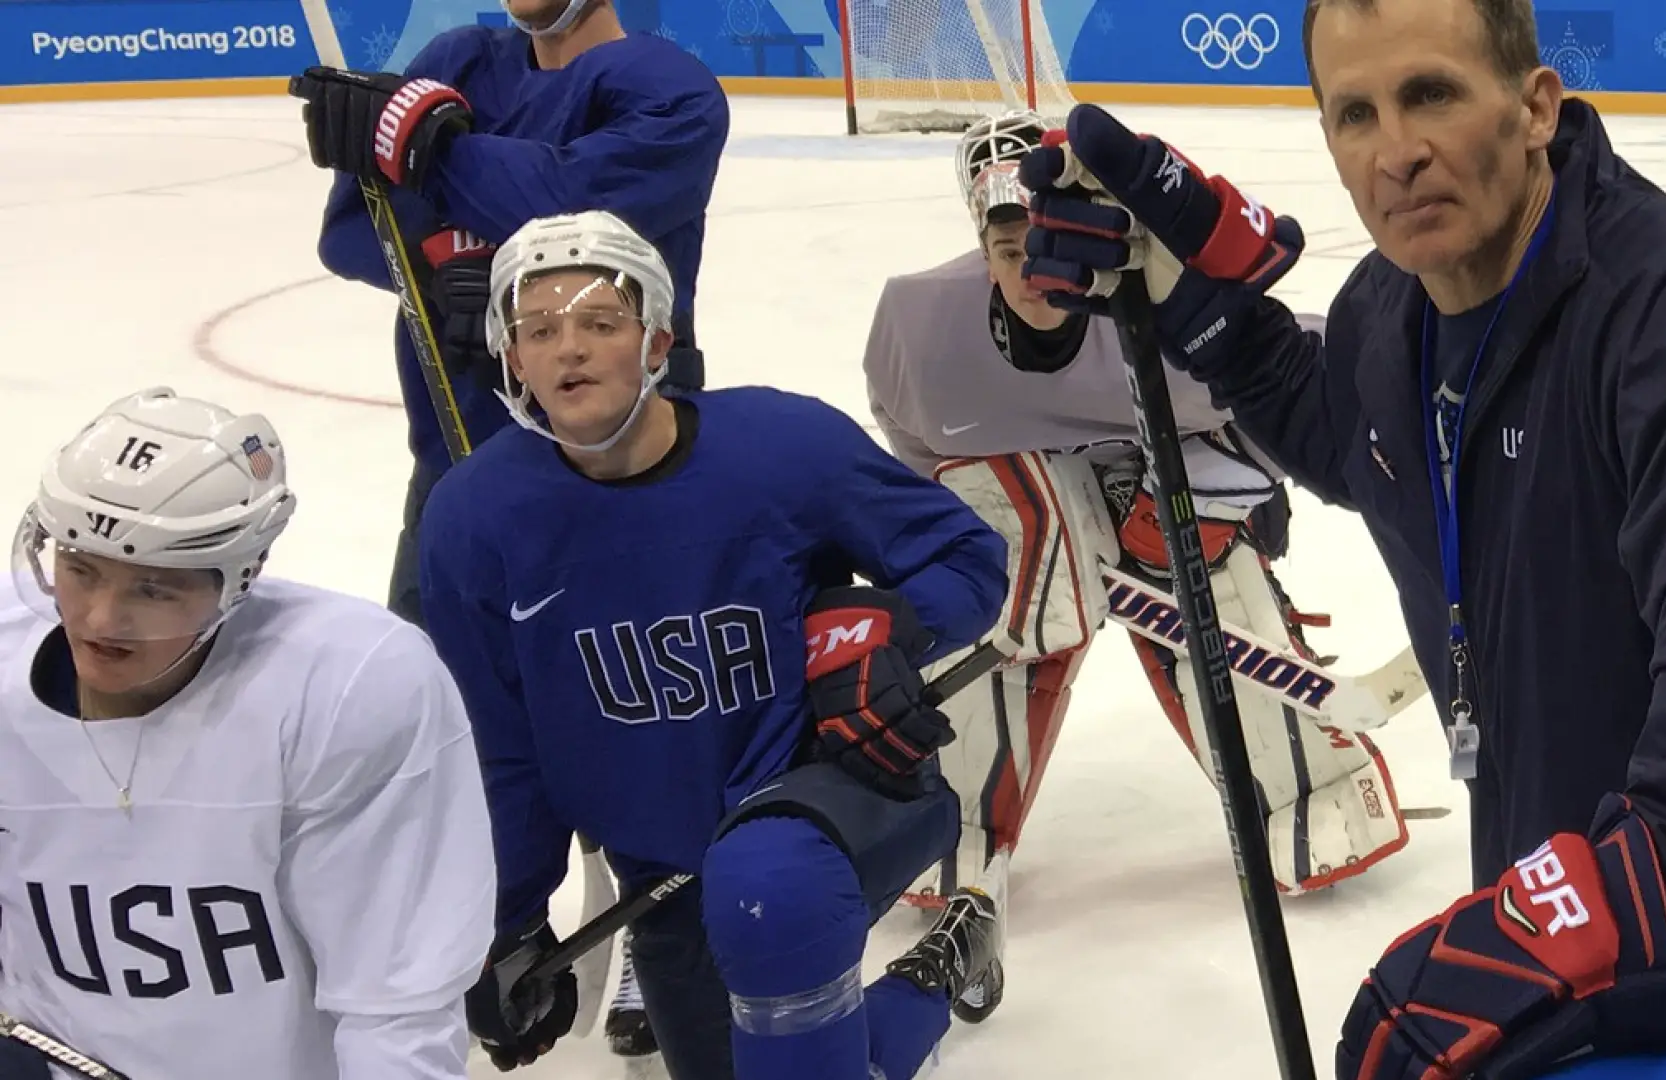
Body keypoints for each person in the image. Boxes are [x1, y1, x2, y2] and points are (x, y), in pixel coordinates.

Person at [1016, 0, 1666, 1076]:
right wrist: (1204, 312)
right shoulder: (1389, 312)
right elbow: (1360, 443)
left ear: (1534, 107)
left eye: (1431, 95)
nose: (1397, 151)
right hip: (1555, 909)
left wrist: (1621, 898)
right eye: (1356, 114)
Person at [414, 209, 1013, 1080]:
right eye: (538, 330)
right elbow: (502, 746)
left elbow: (966, 557)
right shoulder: (474, 520)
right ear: (512, 357)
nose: (568, 348)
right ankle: (942, 963)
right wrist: (511, 921)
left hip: (827, 801)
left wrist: (879, 635)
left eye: (600, 323)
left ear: (657, 339)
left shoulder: (780, 447)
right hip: (664, 868)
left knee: (769, 892)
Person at [862, 110, 1412, 922]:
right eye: (1009, 252)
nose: (1032, 273)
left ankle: (1318, 801)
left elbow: (1311, 381)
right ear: (982, 251)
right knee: (1001, 554)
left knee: (1198, 556)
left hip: (1173, 461)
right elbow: (914, 447)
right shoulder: (919, 326)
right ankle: (949, 828)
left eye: (1044, 246)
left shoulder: (1153, 305)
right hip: (1029, 484)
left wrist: (1249, 483)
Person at [0, 388, 495, 1080]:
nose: (101, 619)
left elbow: (395, 1007)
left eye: (152, 588)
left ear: (241, 578)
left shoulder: (347, 688)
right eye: (80, 570)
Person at [298, 0, 730, 631]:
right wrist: (444, 266)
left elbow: (564, 207)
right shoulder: (457, 60)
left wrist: (421, 147)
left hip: (621, 473)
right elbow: (352, 230)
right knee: (429, 682)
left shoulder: (670, 88)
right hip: (453, 464)